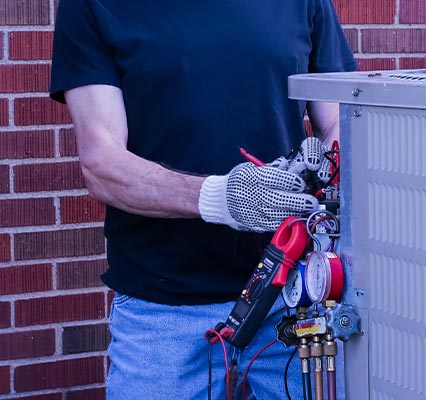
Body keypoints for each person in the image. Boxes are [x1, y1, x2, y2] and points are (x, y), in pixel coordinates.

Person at [49, 0, 356, 398]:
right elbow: (102, 164)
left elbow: (339, 119)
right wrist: (220, 197)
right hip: (163, 310)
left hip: (296, 298)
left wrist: (326, 165)